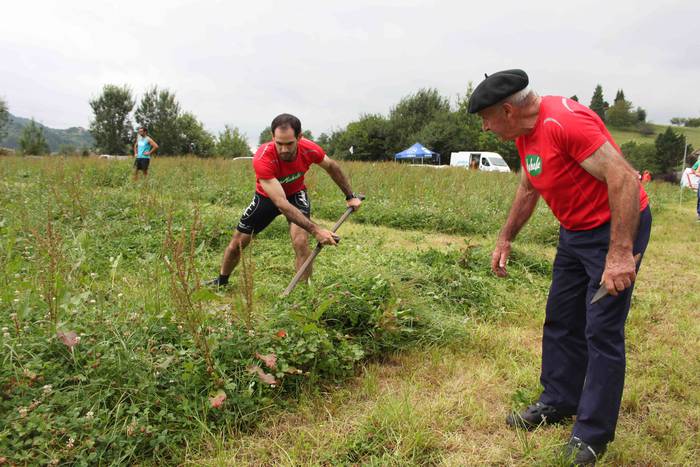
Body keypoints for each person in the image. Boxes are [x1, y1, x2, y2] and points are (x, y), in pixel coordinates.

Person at [468, 69, 651, 466]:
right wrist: (505, 237)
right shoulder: (523, 134)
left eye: (485, 118)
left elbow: (623, 178)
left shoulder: (563, 122)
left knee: (601, 328)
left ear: (506, 110)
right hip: (574, 231)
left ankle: (591, 434)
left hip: (614, 227)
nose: (484, 128)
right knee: (561, 319)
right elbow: (529, 185)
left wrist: (620, 253)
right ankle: (558, 399)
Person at [207, 113, 361, 287]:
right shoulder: (263, 157)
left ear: (299, 137)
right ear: (273, 137)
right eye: (279, 143)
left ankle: (303, 293)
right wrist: (316, 230)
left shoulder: (310, 149)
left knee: (301, 241)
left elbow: (332, 166)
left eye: (289, 143)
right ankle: (221, 281)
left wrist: (350, 196)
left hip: (296, 194)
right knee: (237, 244)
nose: (284, 149)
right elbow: (281, 203)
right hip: (267, 199)